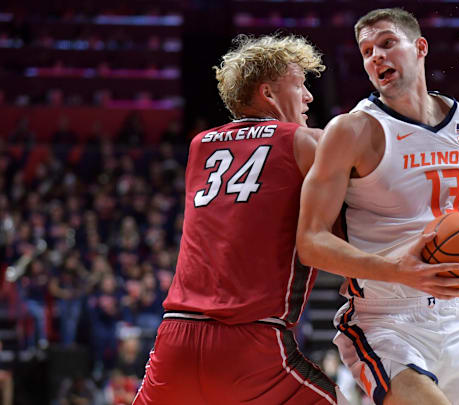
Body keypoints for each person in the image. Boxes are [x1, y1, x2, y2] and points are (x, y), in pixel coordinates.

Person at [297, 8, 459, 405]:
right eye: (367, 51)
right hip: (383, 318)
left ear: (420, 47)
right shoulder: (353, 130)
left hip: (455, 315)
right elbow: (311, 241)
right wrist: (396, 270)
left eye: (387, 43)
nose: (376, 57)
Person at [133, 34, 344, 404]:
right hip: (251, 342)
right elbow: (350, 228)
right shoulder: (305, 141)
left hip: (175, 338)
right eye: (299, 85)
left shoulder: (200, 145)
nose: (308, 96)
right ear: (268, 93)